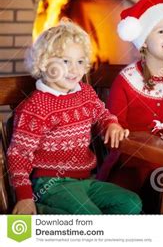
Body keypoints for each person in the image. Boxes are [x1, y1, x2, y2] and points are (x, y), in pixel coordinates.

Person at [7, 20, 141, 215]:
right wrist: (25, 196)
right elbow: (18, 154)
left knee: (131, 202)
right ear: (44, 63)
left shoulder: (85, 93)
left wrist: (111, 124)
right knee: (90, 216)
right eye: (65, 61)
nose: (74, 69)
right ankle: (43, 212)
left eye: (79, 61)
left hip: (86, 180)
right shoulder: (36, 107)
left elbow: (102, 114)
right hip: (50, 185)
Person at [98, 0, 163, 200]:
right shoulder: (127, 80)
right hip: (132, 162)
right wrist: (112, 127)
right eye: (161, 31)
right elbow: (113, 126)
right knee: (138, 191)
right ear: (143, 43)